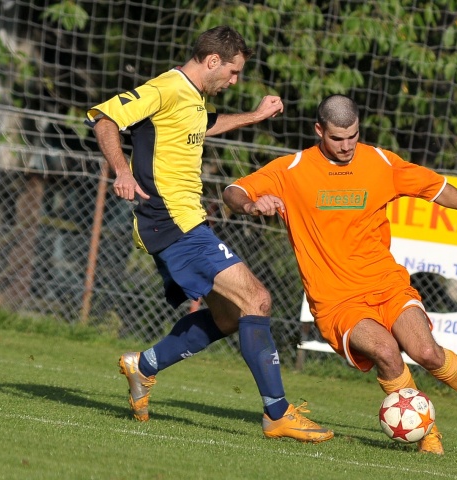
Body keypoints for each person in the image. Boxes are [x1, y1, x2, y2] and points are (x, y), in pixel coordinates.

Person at [222, 94, 457, 455]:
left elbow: (436, 188)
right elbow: (233, 190)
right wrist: (251, 203)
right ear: (319, 131)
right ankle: (428, 432)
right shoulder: (290, 170)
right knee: (386, 351)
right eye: (337, 138)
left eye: (353, 136)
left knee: (427, 352)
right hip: (337, 301)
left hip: (386, 284)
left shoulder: (381, 162)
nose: (346, 146)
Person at [85, 26, 332, 443]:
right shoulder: (166, 88)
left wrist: (254, 116)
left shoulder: (194, 98)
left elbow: (204, 125)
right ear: (213, 61)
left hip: (184, 221)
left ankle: (144, 366)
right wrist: (122, 171)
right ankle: (277, 413)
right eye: (233, 72)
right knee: (257, 299)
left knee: (229, 316)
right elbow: (105, 118)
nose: (234, 81)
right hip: (171, 220)